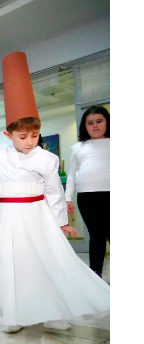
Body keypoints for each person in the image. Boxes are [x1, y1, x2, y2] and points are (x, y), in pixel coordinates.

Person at [0, 51, 110, 334]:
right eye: (23, 136)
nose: (30, 141)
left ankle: (55, 309)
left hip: (38, 217)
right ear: (8, 135)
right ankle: (14, 314)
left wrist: (61, 222)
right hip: (10, 218)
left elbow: (54, 192)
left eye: (35, 135)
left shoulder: (47, 158)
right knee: (14, 264)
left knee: (46, 261)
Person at [66, 106, 110, 277]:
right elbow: (71, 175)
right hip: (87, 197)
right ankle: (95, 274)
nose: (95, 126)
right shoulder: (79, 148)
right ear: (85, 126)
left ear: (107, 122)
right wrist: (68, 197)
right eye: (90, 123)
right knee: (96, 235)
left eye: (99, 121)